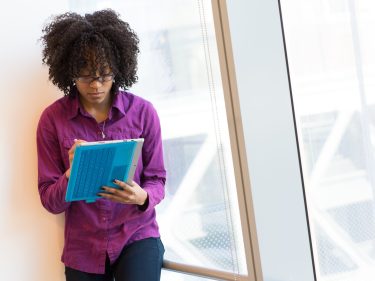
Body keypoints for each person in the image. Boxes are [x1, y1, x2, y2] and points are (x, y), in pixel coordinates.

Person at [37, 9, 166, 281]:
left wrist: (142, 197)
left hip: (136, 234)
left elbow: (157, 179)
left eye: (104, 75)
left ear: (118, 70)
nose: (96, 85)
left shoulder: (143, 112)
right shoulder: (53, 120)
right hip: (83, 246)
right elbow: (49, 200)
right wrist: (72, 173)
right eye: (85, 76)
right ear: (70, 71)